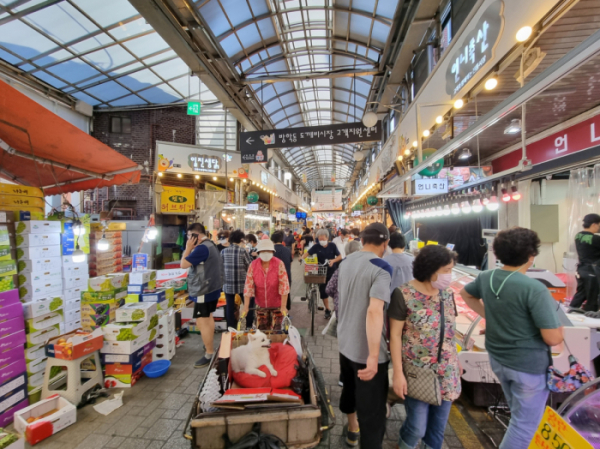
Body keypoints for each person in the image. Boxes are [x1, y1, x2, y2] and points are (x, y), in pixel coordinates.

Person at [460, 227, 563, 449]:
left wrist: (490, 316)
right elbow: (553, 338)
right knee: (524, 426)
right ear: (531, 255)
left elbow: (465, 293)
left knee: (517, 417)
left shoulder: (487, 277)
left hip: (499, 359)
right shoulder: (534, 289)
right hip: (528, 365)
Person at [389, 245, 460, 449]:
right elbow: (394, 336)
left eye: (451, 270)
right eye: (446, 270)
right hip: (417, 372)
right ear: (430, 268)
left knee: (437, 429)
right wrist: (398, 373)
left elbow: (449, 330)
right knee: (416, 427)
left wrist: (456, 359)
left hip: (447, 372)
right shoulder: (403, 294)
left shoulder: (447, 294)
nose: (450, 275)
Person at [337, 223, 391, 448]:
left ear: (362, 239)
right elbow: (374, 310)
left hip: (345, 344)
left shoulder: (346, 261)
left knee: (349, 391)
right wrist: (373, 355)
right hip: (366, 352)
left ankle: (351, 431)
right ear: (385, 243)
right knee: (372, 415)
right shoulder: (381, 267)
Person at [181, 223, 223, 368]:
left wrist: (187, 249)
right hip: (212, 288)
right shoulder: (211, 244)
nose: (188, 240)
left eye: (189, 236)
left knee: (202, 321)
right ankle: (209, 345)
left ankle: (209, 354)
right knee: (207, 317)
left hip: (203, 290)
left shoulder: (201, 248)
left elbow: (183, 264)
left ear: (195, 236)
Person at [243, 239, 290, 316]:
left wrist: (283, 306)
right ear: (259, 252)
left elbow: (284, 286)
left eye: (268, 251)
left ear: (272, 252)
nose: (266, 253)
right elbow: (248, 287)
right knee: (261, 328)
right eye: (263, 251)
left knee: (278, 327)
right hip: (260, 306)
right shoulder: (253, 265)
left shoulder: (279, 264)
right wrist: (245, 307)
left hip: (277, 306)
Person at [303, 229, 342, 319]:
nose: (321, 241)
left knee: (334, 291)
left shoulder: (332, 245)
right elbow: (307, 254)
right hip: (321, 272)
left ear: (327, 238)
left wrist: (333, 260)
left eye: (323, 239)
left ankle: (336, 308)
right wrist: (301, 258)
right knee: (323, 291)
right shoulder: (316, 247)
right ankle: (327, 309)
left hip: (332, 271)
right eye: (319, 239)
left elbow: (340, 256)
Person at [221, 230, 253, 329]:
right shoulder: (243, 251)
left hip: (227, 284)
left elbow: (220, 267)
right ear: (241, 239)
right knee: (248, 304)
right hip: (242, 284)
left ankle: (230, 327)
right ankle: (248, 326)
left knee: (229, 306)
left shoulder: (223, 251)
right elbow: (250, 266)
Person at [570, 213, 600, 311]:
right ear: (594, 225)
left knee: (581, 293)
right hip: (593, 271)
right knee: (592, 297)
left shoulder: (578, 236)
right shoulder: (596, 239)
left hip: (581, 269)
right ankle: (591, 320)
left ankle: (570, 311)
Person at [271, 231, 292, 310]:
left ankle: (276, 310)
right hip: (287, 275)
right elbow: (290, 263)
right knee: (286, 292)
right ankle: (286, 311)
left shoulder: (271, 250)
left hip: (274, 276)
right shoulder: (287, 250)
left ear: (272, 240)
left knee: (275, 294)